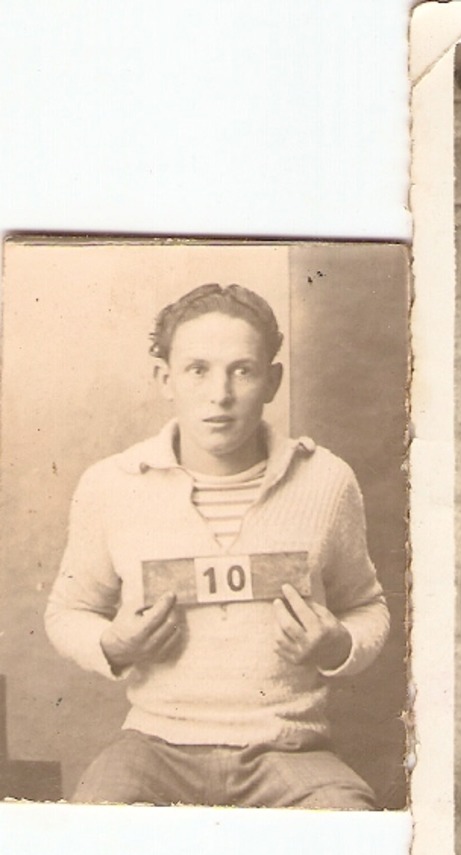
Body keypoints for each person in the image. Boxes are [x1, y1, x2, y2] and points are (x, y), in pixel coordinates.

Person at [45, 283, 390, 809]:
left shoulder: (326, 480)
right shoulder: (112, 485)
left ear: (272, 381)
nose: (220, 394)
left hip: (290, 749)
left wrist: (337, 644)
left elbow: (368, 606)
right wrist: (115, 646)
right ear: (166, 379)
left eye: (243, 370)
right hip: (156, 745)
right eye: (197, 369)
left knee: (349, 835)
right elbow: (68, 611)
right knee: (92, 836)